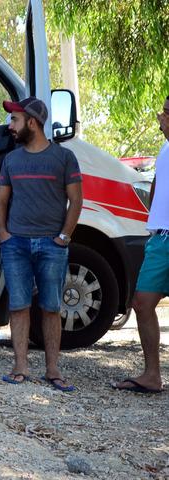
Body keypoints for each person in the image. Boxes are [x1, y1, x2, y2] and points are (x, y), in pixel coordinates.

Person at [0, 97, 83, 392]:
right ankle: (20, 367)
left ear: (32, 123)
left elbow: (76, 201)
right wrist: (4, 235)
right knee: (18, 306)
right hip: (15, 244)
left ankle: (53, 370)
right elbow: (0, 201)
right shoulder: (11, 160)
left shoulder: (64, 158)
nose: (10, 126)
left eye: (15, 120)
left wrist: (63, 238)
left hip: (51, 245)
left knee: (50, 307)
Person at [112, 95, 169, 394]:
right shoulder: (165, 147)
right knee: (142, 303)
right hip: (161, 238)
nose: (162, 117)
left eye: (167, 113)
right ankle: (152, 375)